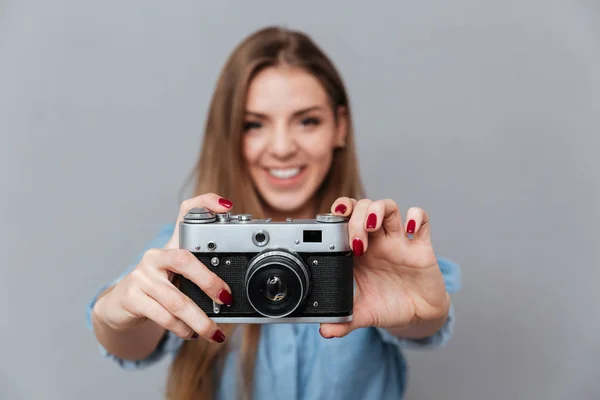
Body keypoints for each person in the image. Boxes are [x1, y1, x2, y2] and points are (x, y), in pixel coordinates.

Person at [86, 25, 461, 400]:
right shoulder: (192, 247)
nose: (282, 148)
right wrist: (116, 312)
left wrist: (425, 310)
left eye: (307, 121)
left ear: (339, 127)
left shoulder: (375, 251)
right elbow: (130, 342)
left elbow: (420, 321)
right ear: (230, 134)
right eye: (254, 125)